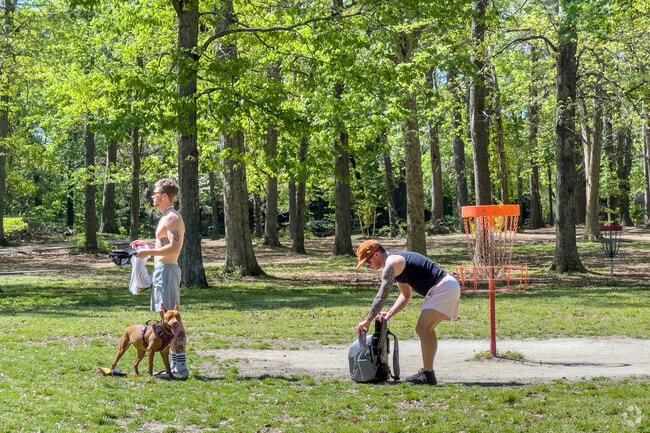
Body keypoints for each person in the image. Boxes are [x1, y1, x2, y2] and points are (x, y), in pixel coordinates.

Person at [355, 239, 460, 385]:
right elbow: (406, 295)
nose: (368, 267)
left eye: (367, 263)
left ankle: (428, 374)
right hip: (445, 287)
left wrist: (368, 320)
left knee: (423, 329)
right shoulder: (397, 266)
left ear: (377, 255)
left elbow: (381, 295)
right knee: (426, 330)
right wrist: (390, 313)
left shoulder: (391, 264)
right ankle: (428, 373)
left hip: (442, 288)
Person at [131, 178, 189, 378]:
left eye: (155, 193)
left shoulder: (172, 218)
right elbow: (164, 242)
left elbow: (174, 247)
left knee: (173, 320)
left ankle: (180, 367)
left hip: (167, 271)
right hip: (161, 271)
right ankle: (172, 366)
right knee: (165, 320)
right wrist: (148, 245)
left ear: (164, 196)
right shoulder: (165, 217)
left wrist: (150, 253)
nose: (153, 196)